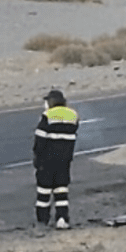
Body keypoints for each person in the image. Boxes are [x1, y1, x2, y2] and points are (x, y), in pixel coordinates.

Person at [33, 89, 79, 229]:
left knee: (44, 192)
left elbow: (40, 139)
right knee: (61, 190)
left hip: (47, 160)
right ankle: (62, 219)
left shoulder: (47, 115)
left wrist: (37, 159)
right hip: (65, 160)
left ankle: (43, 220)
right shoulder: (73, 115)